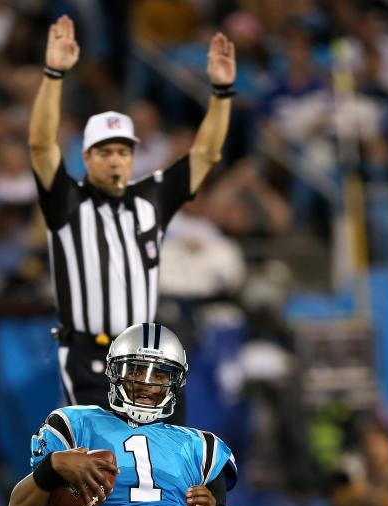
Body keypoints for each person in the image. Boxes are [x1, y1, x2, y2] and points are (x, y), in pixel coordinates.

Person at [6, 323, 353, 506]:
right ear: (114, 372)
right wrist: (51, 467)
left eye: (159, 375)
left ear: (174, 383)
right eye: (137, 369)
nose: (146, 382)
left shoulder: (199, 446)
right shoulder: (74, 423)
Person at [28, 15, 236, 415]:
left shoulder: (150, 199)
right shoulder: (67, 201)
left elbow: (205, 154)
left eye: (123, 151)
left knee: (170, 460)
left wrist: (222, 92)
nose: (115, 161)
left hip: (147, 350)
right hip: (91, 354)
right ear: (86, 157)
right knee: (101, 465)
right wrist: (54, 74)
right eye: (104, 152)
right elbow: (40, 145)